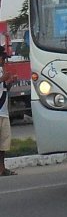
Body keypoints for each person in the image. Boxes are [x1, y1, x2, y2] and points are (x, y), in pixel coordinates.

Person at [0, 46, 18, 176]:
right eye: (2, 58)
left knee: (4, 144)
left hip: (3, 112)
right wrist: (2, 79)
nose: (3, 61)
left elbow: (4, 90)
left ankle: (2, 168)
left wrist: (10, 82)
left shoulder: (1, 70)